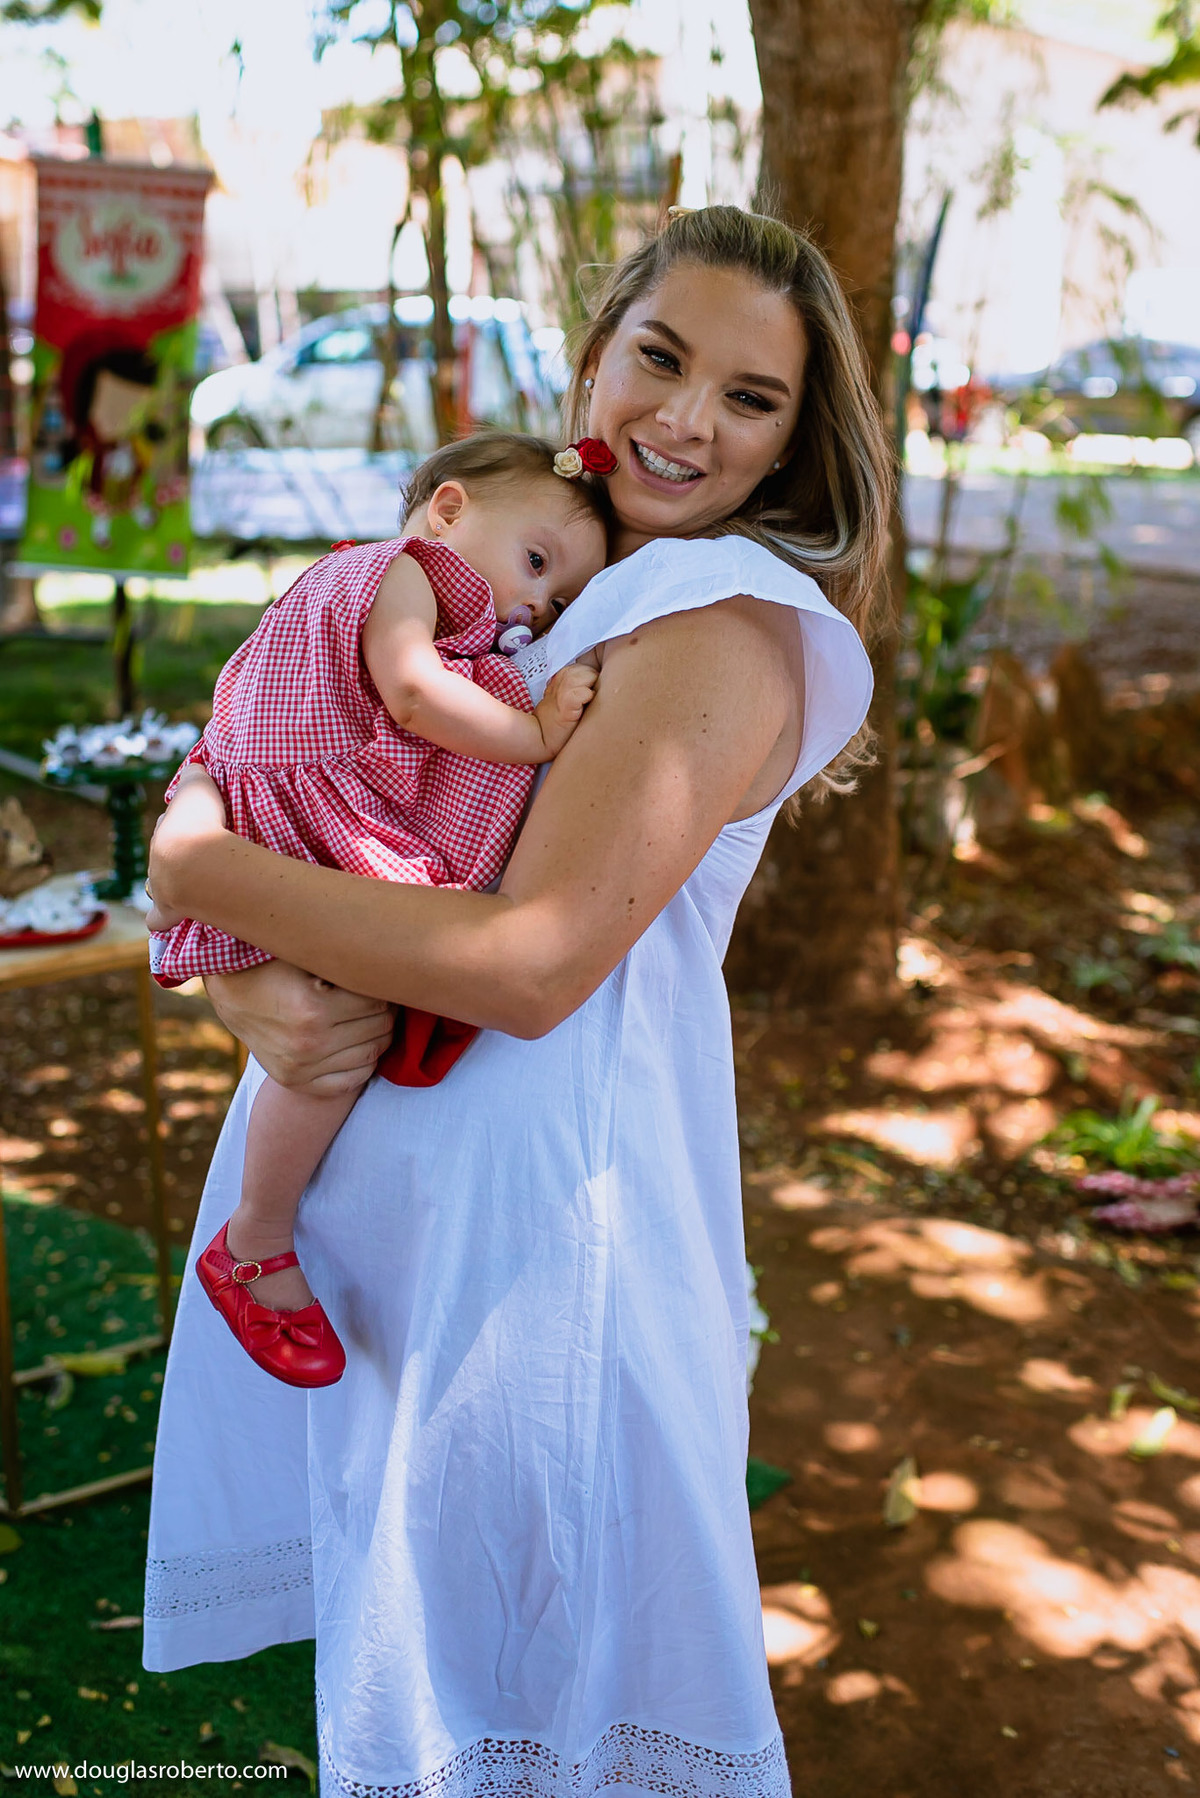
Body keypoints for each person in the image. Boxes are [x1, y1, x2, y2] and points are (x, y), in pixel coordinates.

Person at [142, 204, 892, 1798]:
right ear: (597, 350)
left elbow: (533, 962)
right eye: (662, 357)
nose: (686, 419)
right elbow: (355, 813)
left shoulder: (717, 625)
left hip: (547, 1261)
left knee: (524, 1708)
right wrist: (256, 998)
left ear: (789, 448)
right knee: (439, 1692)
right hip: (420, 1242)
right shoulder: (546, 581)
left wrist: (195, 875)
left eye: (748, 399)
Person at [147, 433, 609, 1388]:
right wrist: (533, 731)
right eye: (535, 563)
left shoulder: (423, 607)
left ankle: (261, 1233)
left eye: (558, 599)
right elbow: (408, 692)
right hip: (299, 823)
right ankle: (255, 1242)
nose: (535, 604)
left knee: (336, 1038)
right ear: (447, 511)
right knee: (337, 1044)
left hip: (278, 817)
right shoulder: (402, 574)